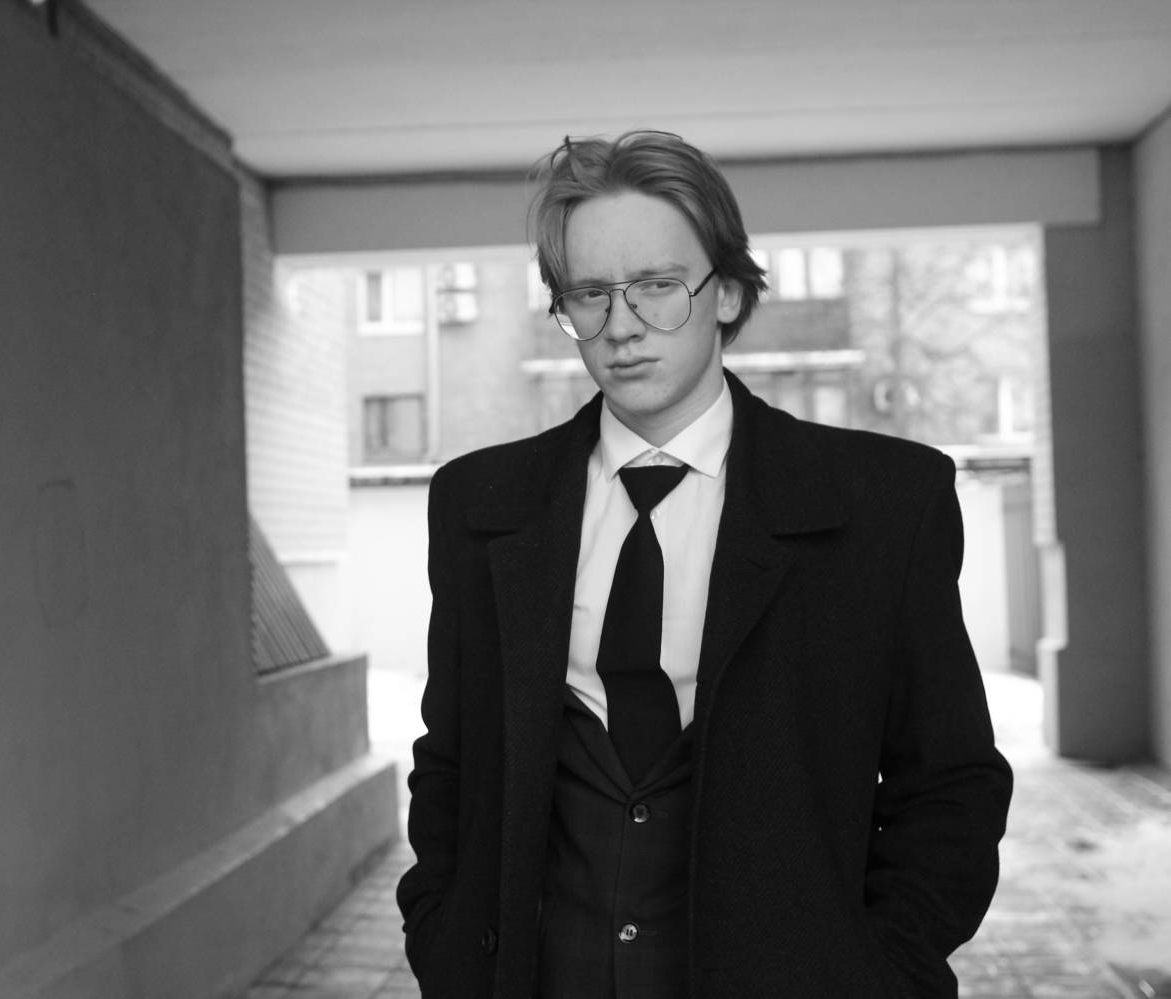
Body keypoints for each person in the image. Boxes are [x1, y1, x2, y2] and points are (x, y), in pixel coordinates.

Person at [396, 130, 1013, 999]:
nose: (621, 326)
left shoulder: (886, 503)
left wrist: (874, 972)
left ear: (726, 291)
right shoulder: (478, 504)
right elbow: (450, 760)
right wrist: (445, 941)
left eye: (657, 285)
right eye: (589, 294)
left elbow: (950, 785)